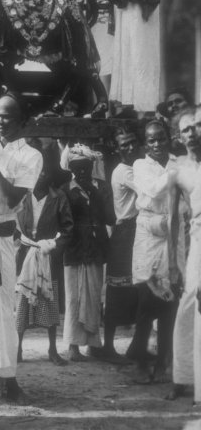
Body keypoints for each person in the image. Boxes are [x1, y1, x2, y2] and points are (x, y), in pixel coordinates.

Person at [0, 92, 43, 401]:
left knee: (3, 307)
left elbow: (12, 200)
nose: (0, 121)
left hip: (1, 237)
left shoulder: (30, 154)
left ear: (22, 122)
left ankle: (7, 377)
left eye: (8, 116)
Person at [131, 119, 181, 383]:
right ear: (145, 144)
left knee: (169, 302)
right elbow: (151, 189)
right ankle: (139, 361)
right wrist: (174, 176)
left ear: (169, 137)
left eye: (161, 138)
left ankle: (163, 362)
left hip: (172, 234)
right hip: (148, 234)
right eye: (151, 140)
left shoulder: (177, 163)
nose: (157, 144)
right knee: (147, 301)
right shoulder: (141, 166)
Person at [15, 146, 73, 366]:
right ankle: (17, 348)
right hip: (25, 254)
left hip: (48, 256)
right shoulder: (21, 196)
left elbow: (68, 229)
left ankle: (52, 350)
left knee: (50, 300)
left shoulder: (59, 198)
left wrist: (52, 246)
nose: (40, 175)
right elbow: (12, 224)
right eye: (36, 170)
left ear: (50, 174)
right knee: (22, 302)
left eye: (45, 171)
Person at [61, 144, 113, 361]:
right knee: (73, 296)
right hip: (74, 247)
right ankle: (72, 346)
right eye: (77, 167)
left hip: (96, 245)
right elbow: (62, 219)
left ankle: (93, 344)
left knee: (93, 294)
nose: (81, 171)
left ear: (92, 166)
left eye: (86, 167)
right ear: (71, 168)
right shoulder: (66, 188)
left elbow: (109, 216)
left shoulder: (101, 187)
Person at [167, 107, 201, 401]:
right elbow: (173, 221)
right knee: (188, 304)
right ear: (179, 136)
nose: (193, 133)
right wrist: (172, 263)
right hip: (196, 242)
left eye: (197, 127)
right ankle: (183, 377)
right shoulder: (178, 169)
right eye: (187, 129)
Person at [102, 127, 141, 362]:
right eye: (124, 144)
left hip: (137, 230)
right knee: (118, 289)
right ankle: (108, 346)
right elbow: (148, 190)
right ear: (117, 149)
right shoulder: (124, 171)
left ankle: (136, 345)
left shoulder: (136, 167)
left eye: (133, 142)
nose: (130, 147)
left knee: (137, 289)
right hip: (125, 231)